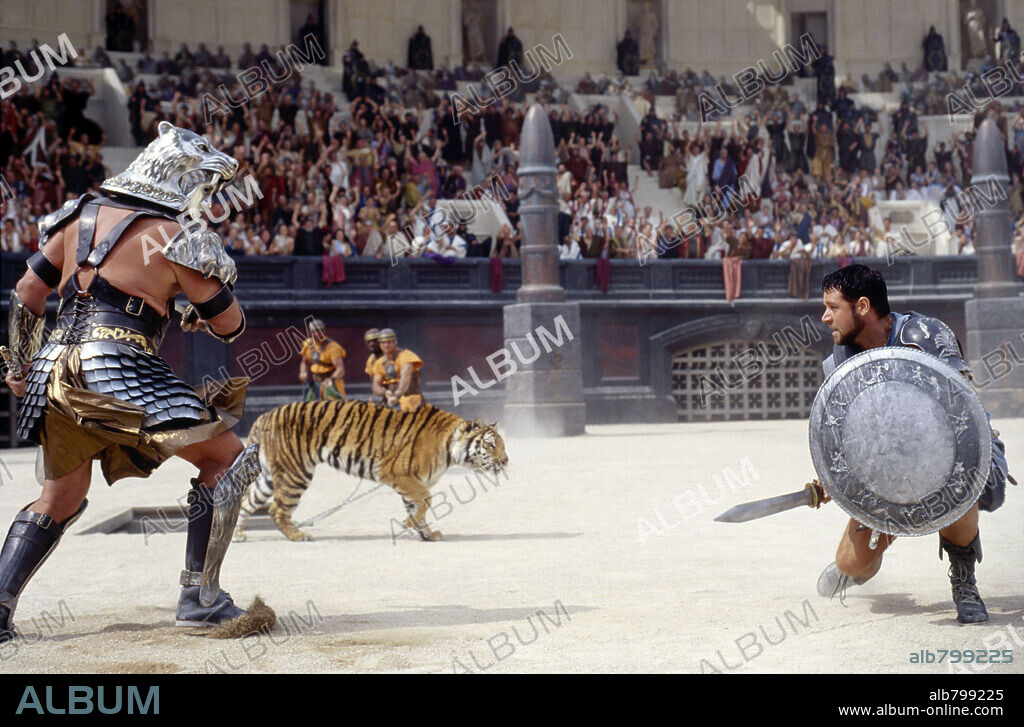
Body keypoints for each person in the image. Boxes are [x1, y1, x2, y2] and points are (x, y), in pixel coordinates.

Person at [0, 122, 269, 639]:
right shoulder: (175, 237)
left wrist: (18, 365)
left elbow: (27, 292)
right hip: (119, 364)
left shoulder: (75, 217)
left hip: (55, 368)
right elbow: (230, 325)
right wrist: (198, 309)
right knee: (229, 458)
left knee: (60, 497)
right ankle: (202, 597)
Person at [815, 265, 1009, 624]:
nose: (825, 317)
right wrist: (835, 481)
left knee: (962, 483)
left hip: (952, 459)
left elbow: (965, 414)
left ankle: (964, 579)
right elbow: (846, 439)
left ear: (861, 306)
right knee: (851, 561)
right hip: (886, 473)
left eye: (832, 307)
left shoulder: (926, 335)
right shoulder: (840, 363)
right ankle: (858, 569)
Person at [371, 329, 424, 412]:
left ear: (395, 342)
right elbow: (375, 386)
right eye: (383, 342)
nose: (386, 345)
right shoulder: (379, 363)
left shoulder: (406, 356)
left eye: (389, 342)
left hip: (410, 400)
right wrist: (385, 392)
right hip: (390, 402)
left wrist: (396, 396)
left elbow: (405, 380)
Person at [299, 319, 346, 401]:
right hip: (316, 382)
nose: (316, 334)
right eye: (313, 331)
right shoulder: (308, 344)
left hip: (331, 383)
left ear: (323, 331)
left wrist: (331, 379)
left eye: (319, 331)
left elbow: (340, 369)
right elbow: (304, 362)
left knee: (332, 407)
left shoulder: (333, 348)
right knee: (308, 406)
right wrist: (303, 372)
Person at [362, 328, 383, 401]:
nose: (371, 344)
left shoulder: (393, 356)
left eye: (375, 340)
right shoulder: (371, 360)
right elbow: (374, 382)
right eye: (369, 341)